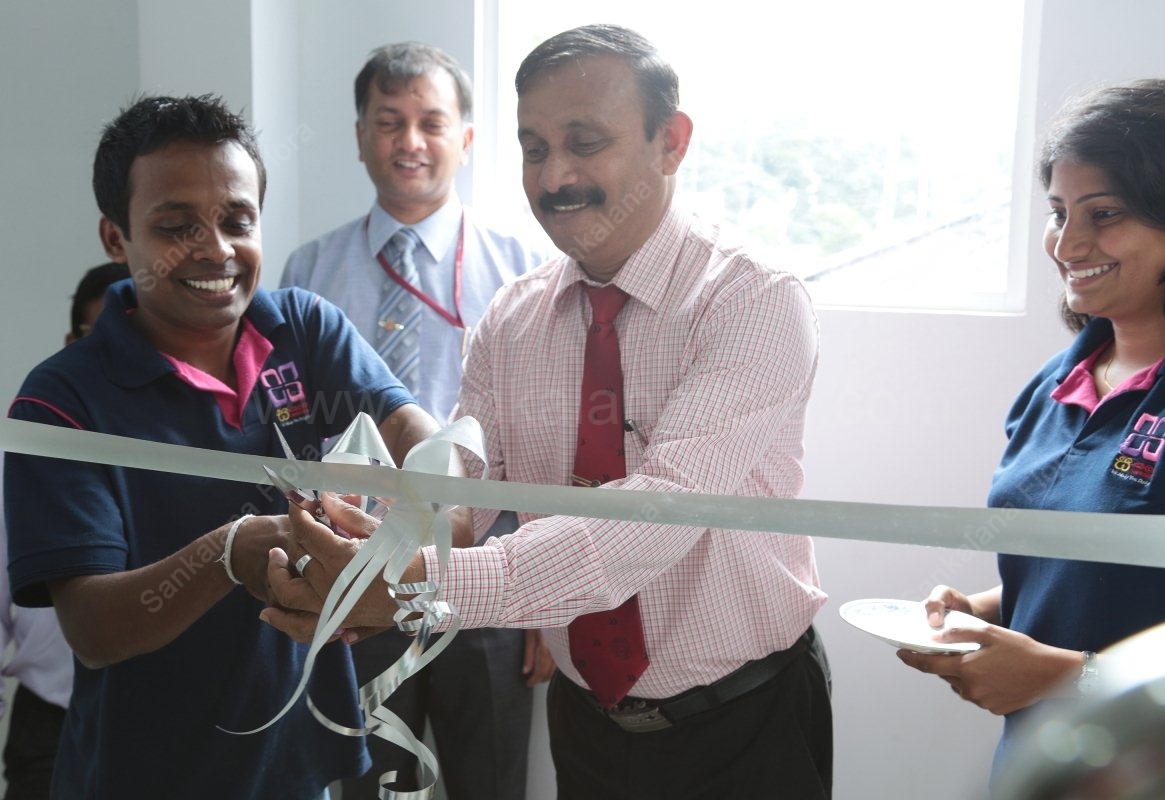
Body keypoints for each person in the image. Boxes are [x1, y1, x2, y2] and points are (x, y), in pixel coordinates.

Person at [266, 24, 831, 800]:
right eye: (534, 149)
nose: (555, 176)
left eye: (584, 143)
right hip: (587, 721)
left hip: (743, 724)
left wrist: (420, 585)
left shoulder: (752, 301)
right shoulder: (513, 318)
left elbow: (657, 514)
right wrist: (372, 553)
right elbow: (462, 489)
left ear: (671, 142)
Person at [3, 94, 460, 800]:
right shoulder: (59, 402)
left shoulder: (301, 330)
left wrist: (430, 515)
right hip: (142, 773)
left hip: (296, 764)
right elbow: (92, 631)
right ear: (116, 238)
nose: (216, 249)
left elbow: (416, 437)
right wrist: (228, 552)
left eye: (238, 221)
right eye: (176, 227)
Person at [896, 78, 1165, 781]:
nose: (1068, 243)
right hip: (1047, 771)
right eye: (1058, 212)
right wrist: (980, 612)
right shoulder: (1057, 384)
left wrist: (1067, 677)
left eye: (1105, 213)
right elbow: (1097, 576)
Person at [279, 42, 545, 800]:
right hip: (355, 567)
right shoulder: (307, 275)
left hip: (488, 573)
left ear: (466, 138)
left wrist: (544, 604)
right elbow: (295, 433)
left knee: (490, 781)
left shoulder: (522, 268)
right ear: (360, 135)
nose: (410, 142)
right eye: (389, 121)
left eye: (432, 122)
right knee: (369, 782)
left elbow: (539, 440)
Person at [0, 262, 127, 800]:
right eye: (100, 337)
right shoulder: (26, 457)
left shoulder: (212, 453)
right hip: (52, 725)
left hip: (183, 726)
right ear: (71, 343)